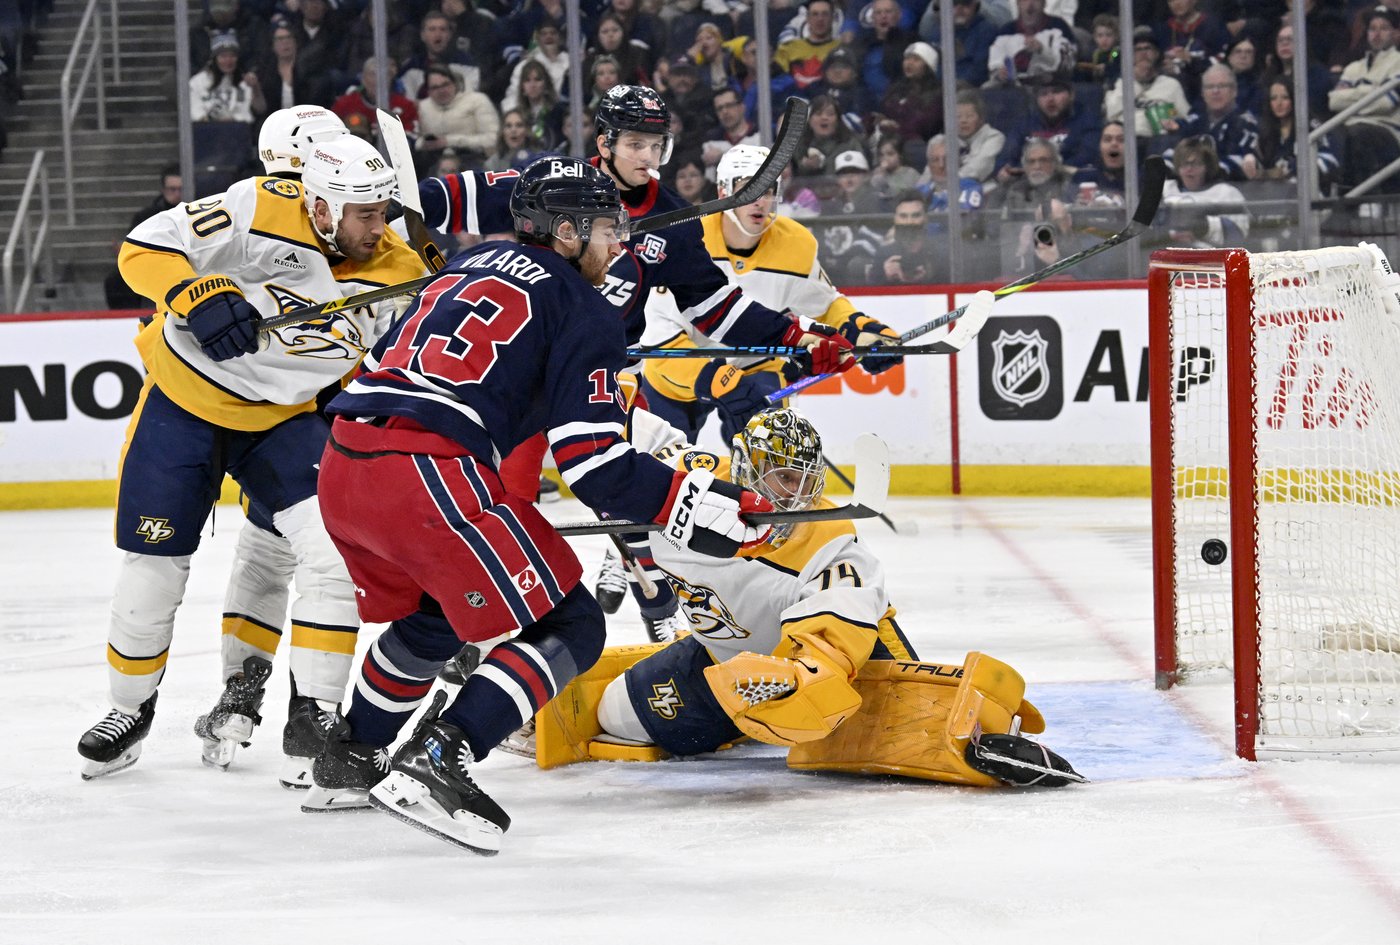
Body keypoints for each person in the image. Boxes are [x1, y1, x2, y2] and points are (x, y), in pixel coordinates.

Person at [306, 157, 780, 852]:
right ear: (563, 231)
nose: (619, 244)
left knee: (436, 618)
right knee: (573, 621)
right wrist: (694, 501)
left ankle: (347, 756)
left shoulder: (468, 264)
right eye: (604, 228)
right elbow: (594, 466)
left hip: (344, 464)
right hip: (427, 470)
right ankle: (443, 752)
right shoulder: (585, 307)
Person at [75, 135, 427, 782]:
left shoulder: (400, 270)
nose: (380, 228)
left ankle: (315, 715)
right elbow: (144, 247)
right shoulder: (262, 204)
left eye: (385, 211)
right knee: (154, 566)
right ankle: (128, 710)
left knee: (330, 549)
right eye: (365, 214)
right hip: (184, 407)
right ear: (320, 206)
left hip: (283, 421)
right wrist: (199, 292)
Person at [519, 407, 1082, 790]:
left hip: (836, 660)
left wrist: (801, 676)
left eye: (806, 481)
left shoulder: (833, 543)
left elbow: (837, 632)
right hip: (724, 660)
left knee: (883, 729)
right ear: (744, 470)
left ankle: (980, 738)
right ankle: (741, 716)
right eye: (784, 480)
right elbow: (613, 416)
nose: (799, 497)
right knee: (615, 715)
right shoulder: (686, 482)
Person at [1327, 8, 1400, 192]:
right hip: (1352, 129)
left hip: (1388, 132)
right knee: (1331, 135)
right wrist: (1372, 90)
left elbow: (1387, 103)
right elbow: (1334, 102)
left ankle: (1366, 199)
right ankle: (1343, 199)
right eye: (1372, 28)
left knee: (1358, 134)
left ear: (1395, 33)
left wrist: (1353, 97)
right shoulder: (1353, 68)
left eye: (1384, 28)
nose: (1377, 33)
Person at [104, 166, 184, 311]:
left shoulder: (194, 215)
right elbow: (132, 245)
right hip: (153, 265)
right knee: (114, 281)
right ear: (163, 190)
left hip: (186, 263)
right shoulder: (146, 216)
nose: (177, 194)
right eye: (172, 189)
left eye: (180, 189)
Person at [1243, 79, 1340, 193]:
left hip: (1310, 194)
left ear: (1295, 99)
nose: (1279, 103)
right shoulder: (1266, 130)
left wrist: (1290, 168)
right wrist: (1251, 162)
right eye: (1273, 98)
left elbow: (1330, 160)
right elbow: (1259, 161)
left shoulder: (1312, 126)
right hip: (1273, 194)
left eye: (1285, 97)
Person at [1168, 63, 1259, 181]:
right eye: (1210, 87)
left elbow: (1240, 160)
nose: (1215, 91)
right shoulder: (1194, 122)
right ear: (1203, 93)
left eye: (1222, 86)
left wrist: (1201, 172)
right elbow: (1173, 155)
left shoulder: (1246, 123)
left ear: (1234, 91)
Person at [1162, 134, 1249, 248]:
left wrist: (1202, 228)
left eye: (1196, 164)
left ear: (1207, 167)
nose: (1189, 169)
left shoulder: (1226, 193)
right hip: (1168, 260)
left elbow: (1239, 237)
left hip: (1212, 261)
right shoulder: (1165, 190)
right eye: (1184, 164)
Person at [414, 65, 500, 172]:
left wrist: (449, 141)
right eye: (435, 88)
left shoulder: (478, 101)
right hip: (433, 164)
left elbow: (493, 139)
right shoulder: (422, 108)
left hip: (472, 160)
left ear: (455, 84)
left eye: (445, 85)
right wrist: (424, 143)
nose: (441, 91)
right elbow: (415, 140)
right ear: (429, 91)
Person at [984, 0, 1077, 87]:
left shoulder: (1058, 26)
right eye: (1024, 0)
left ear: (1044, 4)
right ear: (1017, 4)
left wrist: (1043, 50)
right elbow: (993, 66)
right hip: (1013, 92)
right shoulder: (1006, 31)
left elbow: (1069, 64)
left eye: (1035, 0)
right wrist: (999, 74)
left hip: (1051, 88)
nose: (1029, 6)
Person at [875, 190, 947, 284]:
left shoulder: (941, 253)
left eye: (916, 216)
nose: (909, 222)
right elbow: (867, 296)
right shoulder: (884, 254)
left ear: (925, 218)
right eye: (903, 216)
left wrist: (928, 278)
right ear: (895, 219)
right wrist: (886, 277)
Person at [189, 31, 259, 124]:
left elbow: (256, 110)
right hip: (207, 131)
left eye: (232, 56)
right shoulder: (197, 82)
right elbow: (196, 114)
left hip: (239, 131)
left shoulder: (245, 82)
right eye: (223, 56)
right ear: (214, 59)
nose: (228, 61)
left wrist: (255, 87)